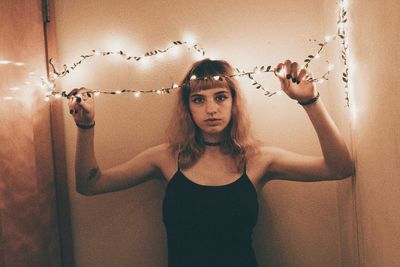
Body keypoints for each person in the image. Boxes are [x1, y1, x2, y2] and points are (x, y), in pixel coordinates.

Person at [68, 58, 354, 267]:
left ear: (233, 102)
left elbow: (339, 168)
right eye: (198, 99)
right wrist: (86, 126)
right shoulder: (167, 158)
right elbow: (90, 184)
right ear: (187, 107)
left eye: (220, 97)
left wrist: (310, 101)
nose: (211, 109)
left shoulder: (258, 159)